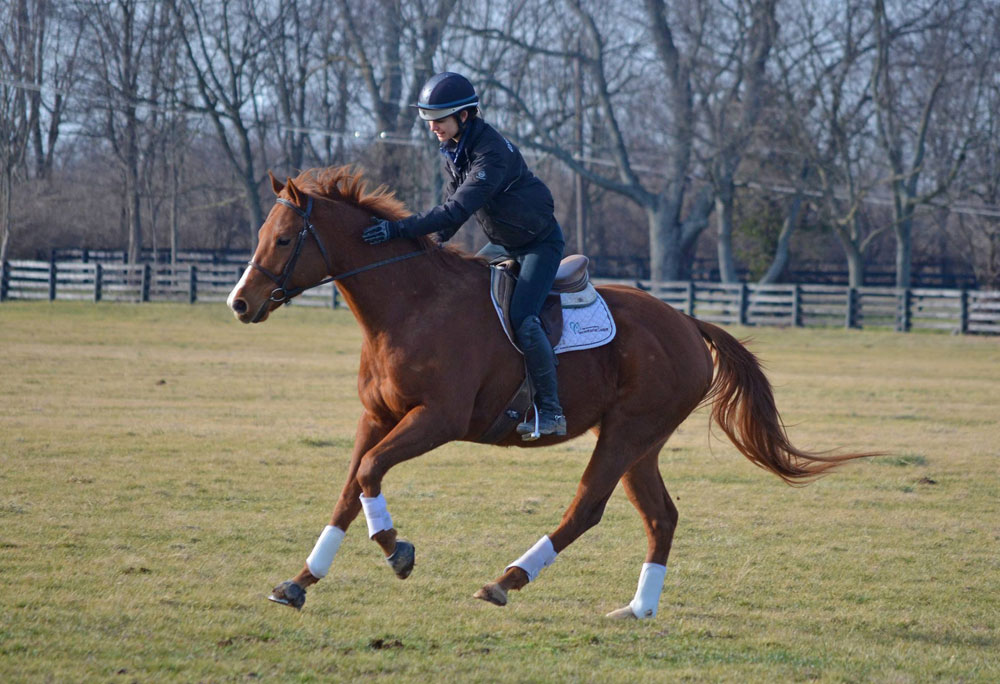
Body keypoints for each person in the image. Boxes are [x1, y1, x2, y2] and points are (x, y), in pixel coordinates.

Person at [362, 72, 566, 439]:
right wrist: (431, 249)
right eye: (429, 121)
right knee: (464, 293)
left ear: (464, 116)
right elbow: (450, 214)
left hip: (539, 245)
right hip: (504, 242)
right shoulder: (456, 148)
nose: (432, 128)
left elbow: (456, 209)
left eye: (438, 120)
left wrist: (398, 229)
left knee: (523, 318)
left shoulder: (490, 154)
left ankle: (551, 409)